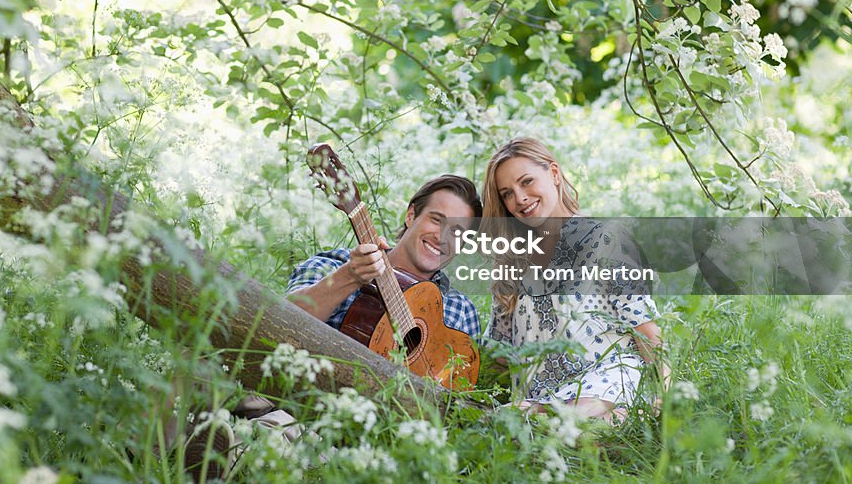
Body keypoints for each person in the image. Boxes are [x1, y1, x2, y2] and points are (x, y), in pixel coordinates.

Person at [480, 137, 668, 421]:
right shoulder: (512, 262)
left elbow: (646, 331)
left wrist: (664, 398)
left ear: (554, 174)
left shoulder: (603, 240)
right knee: (587, 425)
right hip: (537, 396)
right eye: (507, 193)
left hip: (604, 385)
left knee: (585, 414)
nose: (519, 198)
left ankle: (568, 418)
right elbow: (497, 356)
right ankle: (592, 423)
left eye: (527, 181)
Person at [286, 174, 484, 338]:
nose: (442, 237)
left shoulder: (461, 311)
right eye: (436, 220)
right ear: (411, 215)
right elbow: (282, 321)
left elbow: (458, 383)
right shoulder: (333, 265)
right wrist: (348, 277)